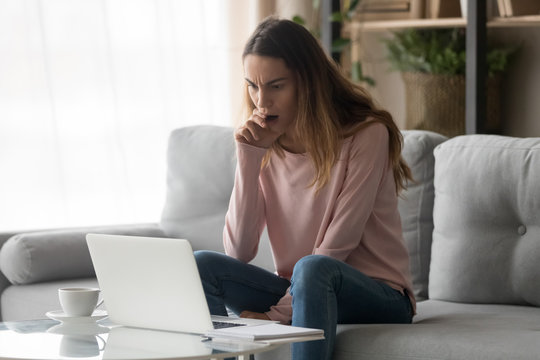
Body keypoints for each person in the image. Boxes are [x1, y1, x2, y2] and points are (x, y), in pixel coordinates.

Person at [194, 16, 415, 360]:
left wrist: (274, 317)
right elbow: (239, 251)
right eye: (253, 86)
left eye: (276, 86)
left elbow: (336, 246)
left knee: (312, 268)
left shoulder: (366, 135)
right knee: (202, 265)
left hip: (379, 295)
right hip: (303, 288)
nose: (261, 102)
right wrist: (250, 157)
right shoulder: (266, 143)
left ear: (307, 83)